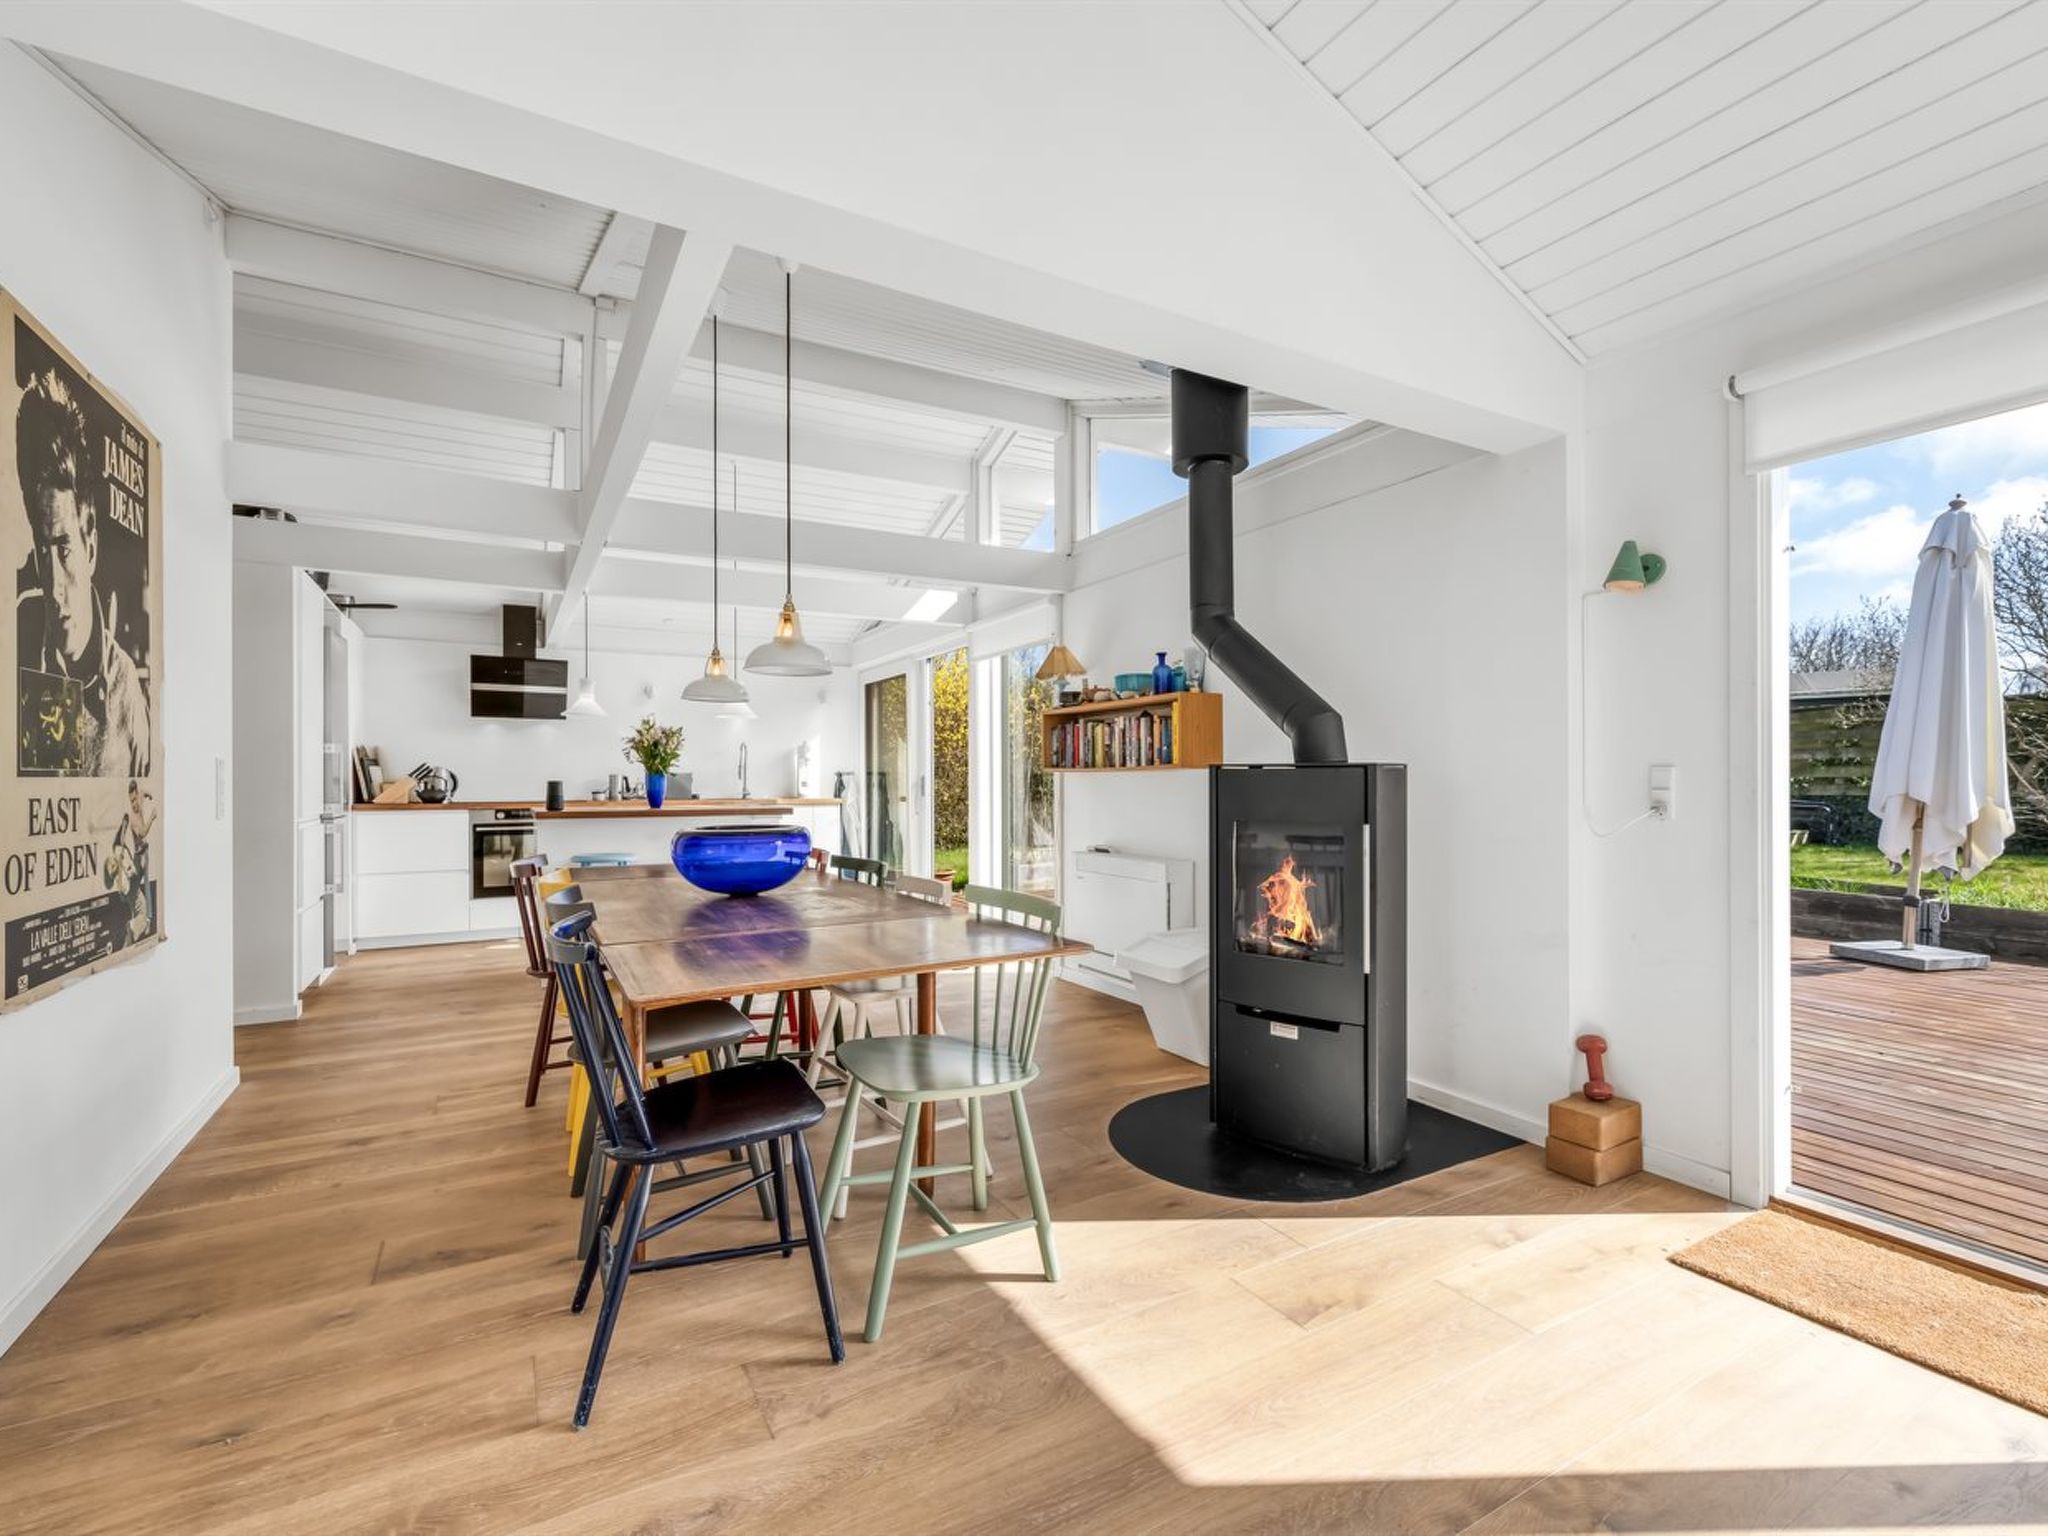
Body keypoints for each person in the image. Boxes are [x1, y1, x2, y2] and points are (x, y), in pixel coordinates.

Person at [15, 370, 151, 779]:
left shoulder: (127, 693)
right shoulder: (19, 636)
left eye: (64, 548)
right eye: (43, 551)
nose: (54, 586)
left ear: (90, 546)